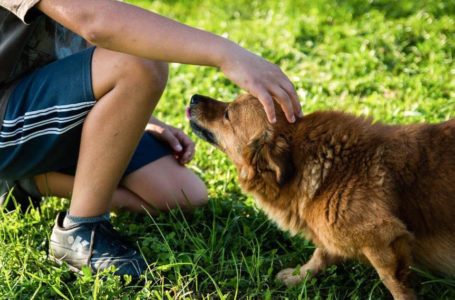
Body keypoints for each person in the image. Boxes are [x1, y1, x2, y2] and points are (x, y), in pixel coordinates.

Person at [0, 0, 302, 278]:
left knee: (181, 194)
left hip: (40, 103)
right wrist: (227, 54)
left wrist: (131, 113)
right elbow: (94, 21)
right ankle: (81, 231)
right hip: (6, 114)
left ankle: (26, 182)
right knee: (140, 63)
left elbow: (83, 35)